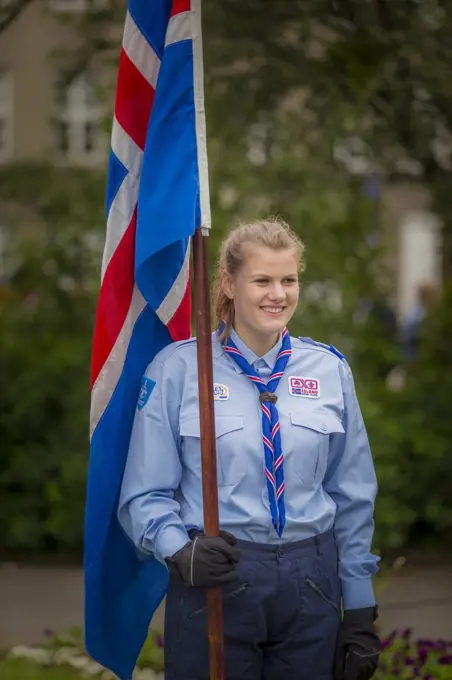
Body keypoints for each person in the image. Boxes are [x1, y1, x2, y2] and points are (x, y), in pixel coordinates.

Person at [118, 217, 380, 680]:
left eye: (289, 280)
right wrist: (180, 552)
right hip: (216, 581)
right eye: (262, 280)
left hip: (312, 582)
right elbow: (144, 494)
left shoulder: (329, 371)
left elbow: (353, 496)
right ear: (229, 283)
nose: (277, 294)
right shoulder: (179, 369)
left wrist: (359, 609)